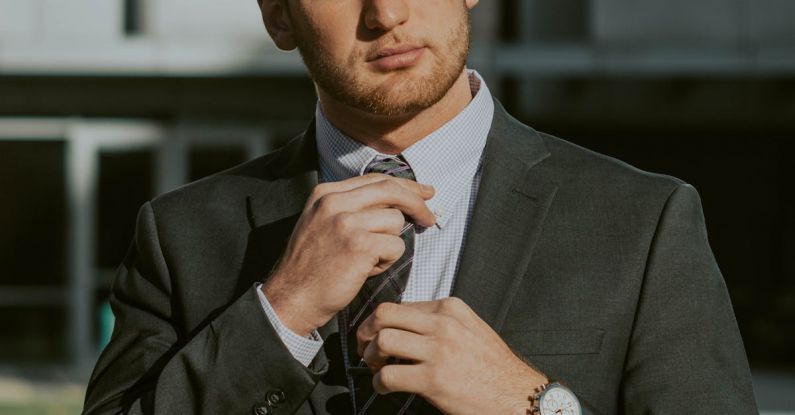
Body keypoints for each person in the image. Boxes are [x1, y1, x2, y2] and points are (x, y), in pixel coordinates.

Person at [83, 0, 758, 414]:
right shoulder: (182, 233)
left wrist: (532, 407)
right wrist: (278, 312)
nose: (386, 13)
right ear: (277, 15)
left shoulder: (644, 222)